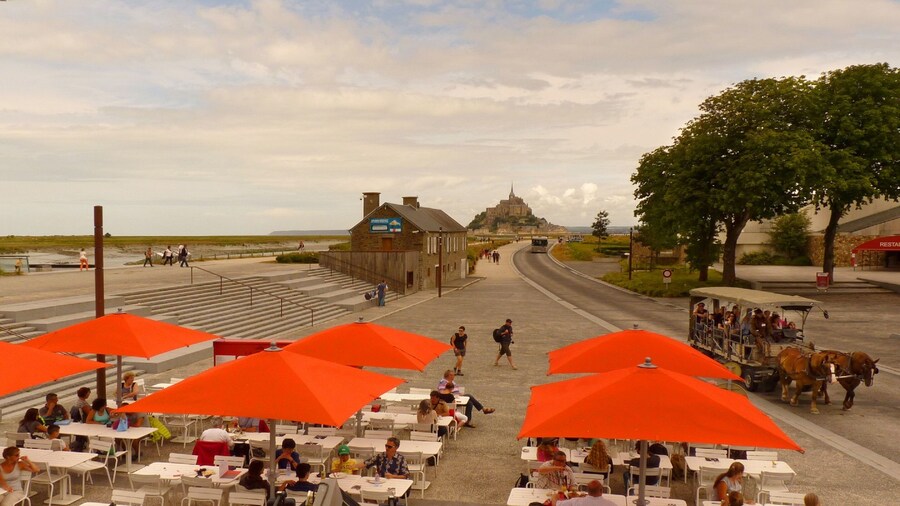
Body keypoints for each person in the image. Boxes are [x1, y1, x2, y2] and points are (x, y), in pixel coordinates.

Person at [553, 480, 617, 506]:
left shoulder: (576, 502)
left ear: (588, 490)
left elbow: (556, 504)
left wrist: (555, 496)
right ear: (601, 490)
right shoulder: (611, 504)